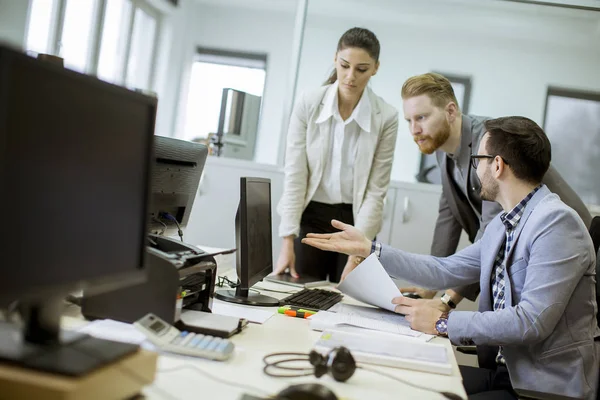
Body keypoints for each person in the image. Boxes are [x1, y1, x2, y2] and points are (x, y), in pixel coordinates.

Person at [302, 116, 599, 399]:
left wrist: (444, 322)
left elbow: (530, 321)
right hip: (505, 372)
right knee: (406, 385)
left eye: (478, 161)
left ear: (497, 166)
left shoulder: (556, 223)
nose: (475, 171)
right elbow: (444, 270)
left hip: (542, 387)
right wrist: (370, 249)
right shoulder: (503, 223)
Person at [399, 73, 592, 319]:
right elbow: (448, 220)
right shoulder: (441, 148)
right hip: (526, 251)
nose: (414, 130)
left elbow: (492, 230)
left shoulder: (489, 143)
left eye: (422, 117)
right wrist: (429, 285)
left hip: (564, 246)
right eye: (409, 120)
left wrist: (447, 300)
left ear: (450, 111)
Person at [273, 27, 398, 283]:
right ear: (335, 60)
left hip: (357, 221)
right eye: (344, 65)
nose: (350, 76)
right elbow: (295, 174)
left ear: (375, 68)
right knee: (300, 296)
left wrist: (356, 256)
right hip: (311, 217)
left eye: (361, 69)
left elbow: (376, 191)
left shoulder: (386, 117)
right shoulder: (308, 103)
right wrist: (287, 240)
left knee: (350, 298)